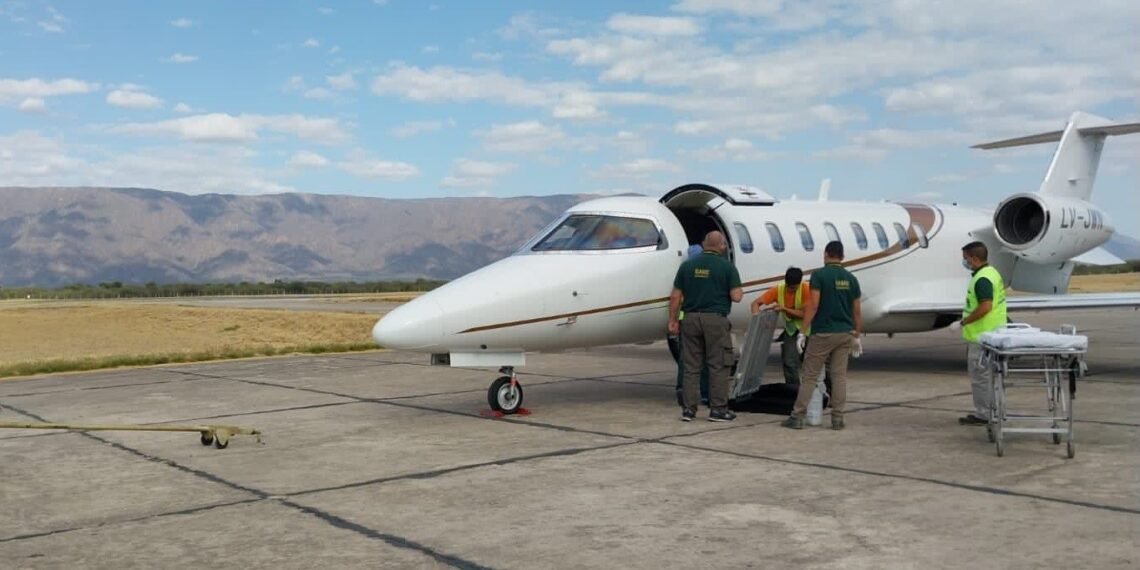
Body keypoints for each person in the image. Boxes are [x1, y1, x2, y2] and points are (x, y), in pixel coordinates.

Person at [782, 240, 861, 430]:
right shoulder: (851, 279)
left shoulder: (819, 276)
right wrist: (857, 335)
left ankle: (797, 416)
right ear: (842, 256)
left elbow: (814, 305)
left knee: (810, 376)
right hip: (845, 333)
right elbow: (857, 311)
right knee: (839, 376)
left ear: (826, 254)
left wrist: (802, 332)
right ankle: (837, 418)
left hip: (823, 333)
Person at [668, 231, 743, 422]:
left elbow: (675, 296)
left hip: (691, 319)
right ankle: (718, 409)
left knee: (691, 366)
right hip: (715, 321)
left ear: (703, 243)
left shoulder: (687, 266)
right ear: (722, 246)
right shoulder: (727, 267)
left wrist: (673, 320)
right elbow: (737, 296)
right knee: (718, 365)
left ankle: (689, 410)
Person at [954, 241, 1007, 426]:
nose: (965, 262)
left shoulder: (982, 279)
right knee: (989, 378)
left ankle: (984, 414)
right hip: (993, 334)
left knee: (981, 378)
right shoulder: (992, 273)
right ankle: (993, 410)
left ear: (974, 258)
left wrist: (964, 322)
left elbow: (985, 306)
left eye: (966, 258)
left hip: (982, 337)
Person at [750, 267, 810, 385]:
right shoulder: (778, 290)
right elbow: (755, 304)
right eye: (790, 287)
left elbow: (805, 314)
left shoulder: (806, 289)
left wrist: (784, 308)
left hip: (808, 329)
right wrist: (759, 321)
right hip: (791, 330)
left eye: (794, 288)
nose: (792, 290)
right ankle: (793, 389)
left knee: (812, 363)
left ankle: (815, 391)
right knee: (788, 361)